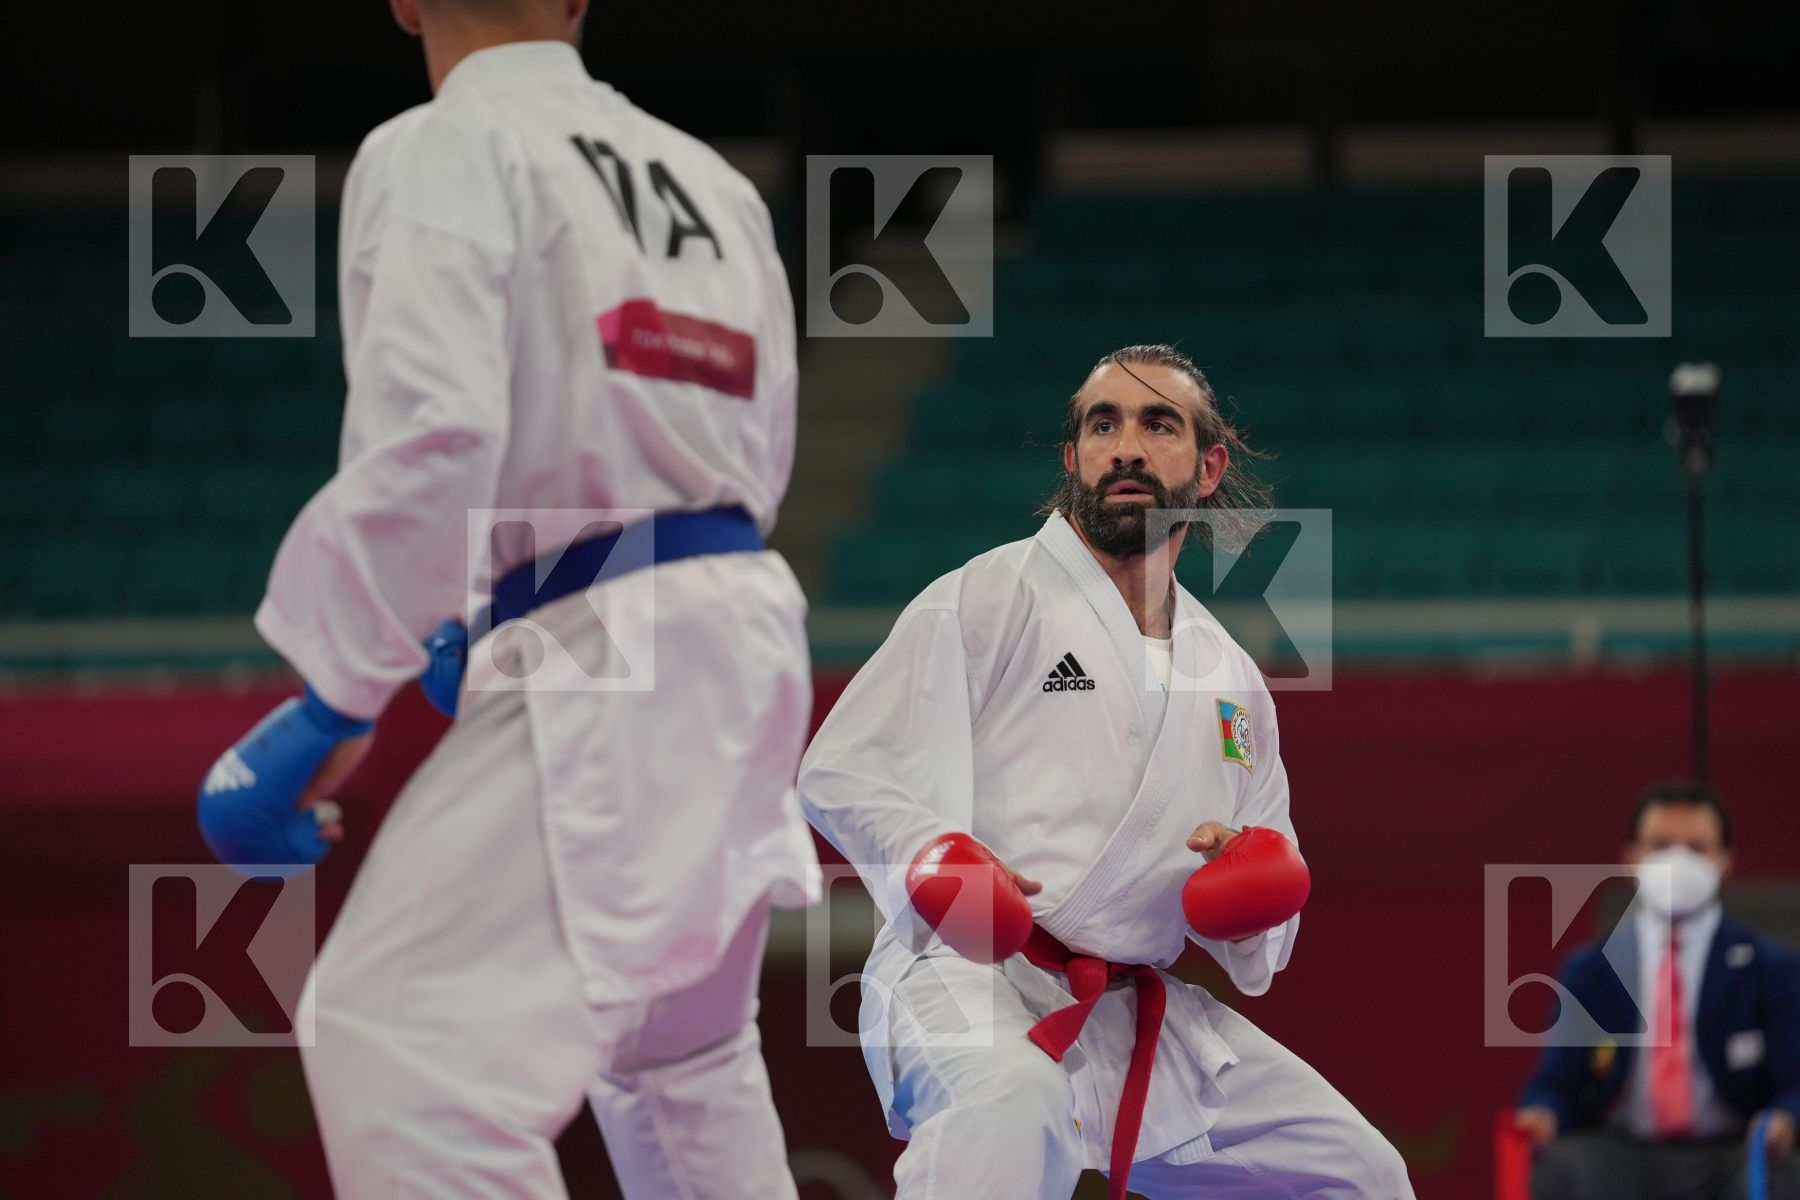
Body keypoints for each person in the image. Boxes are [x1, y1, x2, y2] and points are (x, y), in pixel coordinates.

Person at [194, 0, 818, 1195]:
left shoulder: (440, 144)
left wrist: (336, 694)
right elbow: (750, 458)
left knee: (404, 1053)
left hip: (610, 640)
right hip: (733, 618)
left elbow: (438, 439)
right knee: (676, 1058)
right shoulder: (710, 179)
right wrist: (496, 610)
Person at [796, 344, 1415, 1199]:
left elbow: (1260, 951)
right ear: (1073, 458)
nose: (1126, 445)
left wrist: (1250, 889)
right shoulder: (988, 596)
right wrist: (932, 852)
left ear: (1208, 467)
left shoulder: (1231, 677)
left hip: (1133, 1011)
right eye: (1103, 424)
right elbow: (839, 768)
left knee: (1357, 1174)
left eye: (1158, 424)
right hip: (975, 980)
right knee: (1014, 1100)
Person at [1516, 780, 1800, 1200]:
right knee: (1565, 1167)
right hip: (1626, 1153)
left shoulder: (1770, 968)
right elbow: (1557, 1083)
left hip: (1731, 1151)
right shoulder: (1592, 970)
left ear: (1726, 861)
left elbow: (1794, 1083)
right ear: (1631, 858)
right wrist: (1543, 1115)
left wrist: (1783, 1120)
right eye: (1661, 845)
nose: (1677, 861)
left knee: (1786, 1175)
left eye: (1696, 848)